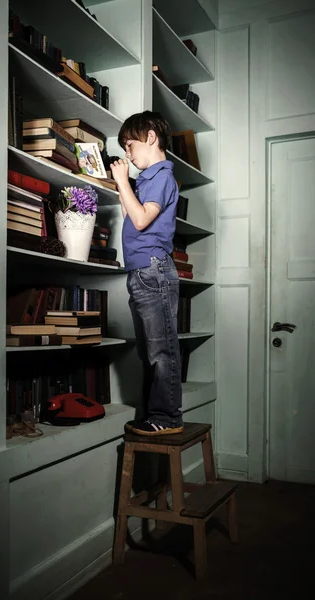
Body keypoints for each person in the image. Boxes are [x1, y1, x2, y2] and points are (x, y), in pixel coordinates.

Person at [110, 110, 183, 436]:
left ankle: (167, 419)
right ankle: (155, 415)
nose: (128, 153)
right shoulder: (146, 180)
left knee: (161, 350)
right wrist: (121, 185)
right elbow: (130, 215)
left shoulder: (163, 177)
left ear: (151, 136)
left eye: (130, 145)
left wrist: (125, 181)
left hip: (154, 271)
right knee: (149, 352)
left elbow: (141, 221)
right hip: (141, 272)